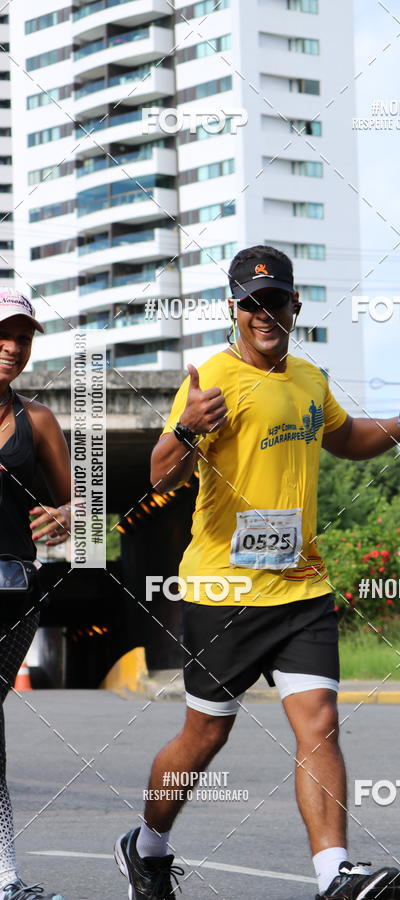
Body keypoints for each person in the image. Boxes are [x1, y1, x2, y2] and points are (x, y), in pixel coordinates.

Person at [114, 246, 400, 900]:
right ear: (234, 310)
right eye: (250, 304)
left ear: (296, 305)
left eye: (275, 301)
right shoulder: (210, 378)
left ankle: (334, 874)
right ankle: (146, 846)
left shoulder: (310, 380)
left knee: (319, 721)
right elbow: (158, 476)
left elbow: (347, 439)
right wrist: (185, 429)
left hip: (303, 588)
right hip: (224, 590)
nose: (264, 314)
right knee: (206, 734)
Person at [0, 290, 72, 899]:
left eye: (22, 337)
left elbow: (90, 505)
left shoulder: (38, 420)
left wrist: (66, 516)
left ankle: (5, 877)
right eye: (2, 333)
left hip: (13, 597)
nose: (12, 346)